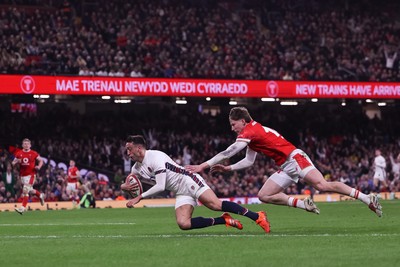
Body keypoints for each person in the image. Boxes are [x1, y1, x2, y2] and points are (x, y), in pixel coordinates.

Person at [185, 107, 383, 219]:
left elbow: (231, 150)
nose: (232, 128)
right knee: (263, 195)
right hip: (285, 165)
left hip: (295, 158)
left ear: (243, 121)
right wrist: (228, 168)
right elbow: (248, 160)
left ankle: (367, 198)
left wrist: (203, 165)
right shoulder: (253, 134)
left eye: (233, 124)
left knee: (322, 185)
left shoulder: (251, 131)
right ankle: (302, 203)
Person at [122, 135, 270, 233]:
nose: (127, 153)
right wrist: (124, 187)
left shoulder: (155, 157)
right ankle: (223, 220)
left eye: (129, 149)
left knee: (215, 205)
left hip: (187, 179)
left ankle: (257, 216)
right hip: (180, 191)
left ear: (139, 148)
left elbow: (160, 186)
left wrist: (139, 197)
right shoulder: (137, 167)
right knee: (183, 224)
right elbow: (129, 180)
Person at [12, 138, 45, 214]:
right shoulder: (19, 153)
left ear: (30, 145)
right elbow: (13, 163)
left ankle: (22, 208)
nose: (26, 145)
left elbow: (41, 160)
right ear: (22, 145)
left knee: (25, 189)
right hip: (22, 176)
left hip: (31, 175)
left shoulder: (33, 153)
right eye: (25, 144)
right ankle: (40, 195)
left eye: (28, 144)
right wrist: (16, 162)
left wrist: (39, 167)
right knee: (30, 190)